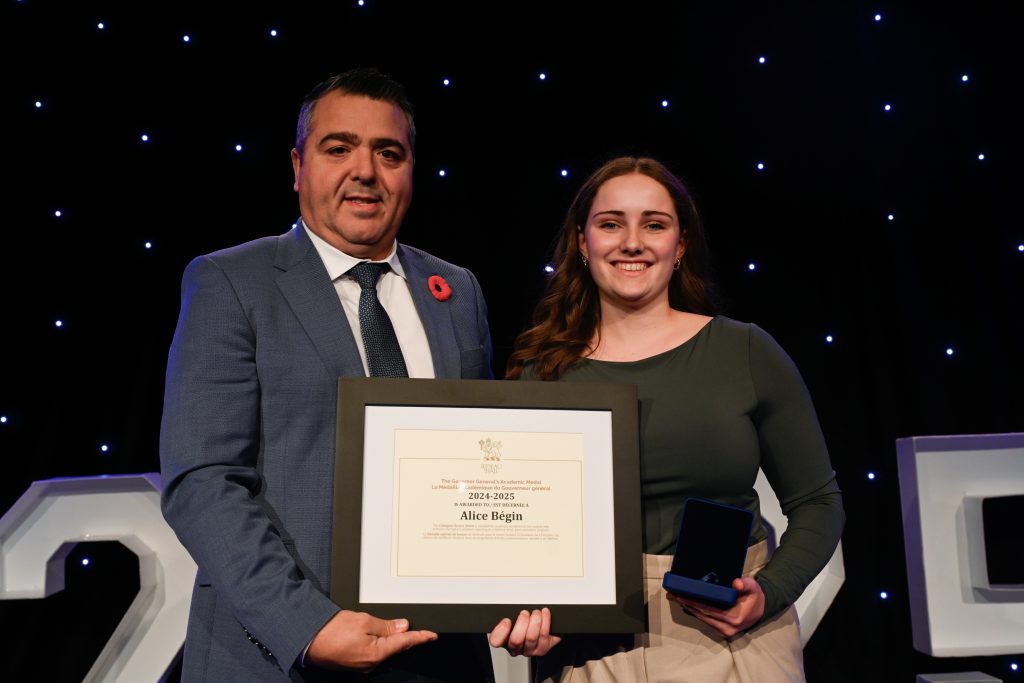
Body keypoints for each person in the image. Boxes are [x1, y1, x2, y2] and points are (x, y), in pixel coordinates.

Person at [159, 68, 495, 682]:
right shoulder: (231, 281)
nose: (364, 171)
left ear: (411, 169)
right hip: (280, 657)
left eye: (387, 153)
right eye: (338, 148)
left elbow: (478, 467)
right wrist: (306, 624)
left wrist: (522, 589)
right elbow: (203, 481)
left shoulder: (456, 291)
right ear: (297, 166)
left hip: (440, 658)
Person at [501, 157, 845, 682]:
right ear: (581, 241)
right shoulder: (539, 372)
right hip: (589, 648)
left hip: (732, 634)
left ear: (680, 245)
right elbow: (516, 526)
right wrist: (525, 608)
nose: (632, 242)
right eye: (611, 223)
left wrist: (768, 593)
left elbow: (819, 503)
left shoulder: (744, 351)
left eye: (654, 224)